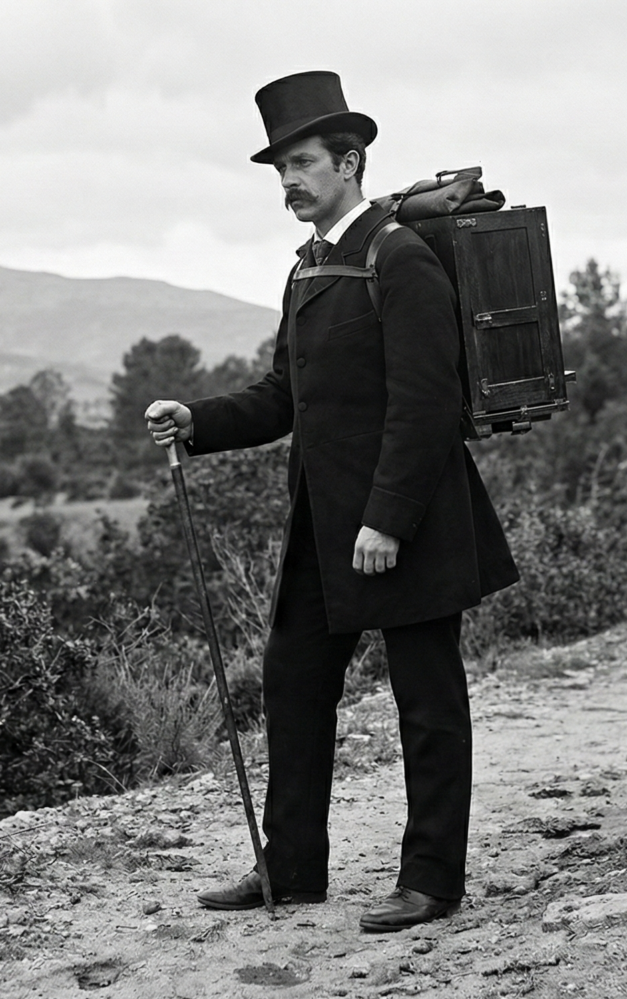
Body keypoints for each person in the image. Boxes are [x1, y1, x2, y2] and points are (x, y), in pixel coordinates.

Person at [146, 70, 518, 933]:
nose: (288, 181)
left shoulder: (401, 259)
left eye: (303, 162)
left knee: (427, 702)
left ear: (349, 161)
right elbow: (286, 397)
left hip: (408, 520)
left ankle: (431, 879)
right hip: (323, 525)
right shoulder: (312, 266)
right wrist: (196, 418)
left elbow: (425, 406)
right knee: (293, 680)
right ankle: (295, 866)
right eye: (280, 167)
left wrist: (386, 518)